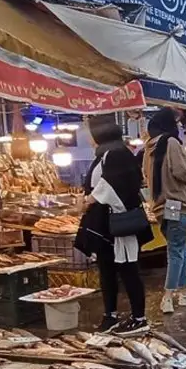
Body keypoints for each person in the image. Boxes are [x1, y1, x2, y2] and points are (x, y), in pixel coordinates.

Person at [78, 116, 150, 335]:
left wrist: (89, 200)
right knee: (106, 269)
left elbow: (113, 184)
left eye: (88, 130)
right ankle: (110, 315)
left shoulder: (117, 153)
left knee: (128, 269)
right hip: (104, 223)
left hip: (119, 221)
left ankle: (139, 318)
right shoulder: (105, 153)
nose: (86, 135)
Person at [145, 108, 186, 314]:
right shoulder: (172, 143)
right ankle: (168, 296)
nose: (180, 127)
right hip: (177, 203)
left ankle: (185, 291)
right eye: (177, 123)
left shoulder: (149, 147)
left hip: (162, 206)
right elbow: (182, 172)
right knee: (176, 251)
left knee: (181, 250)